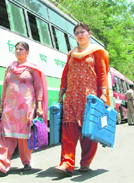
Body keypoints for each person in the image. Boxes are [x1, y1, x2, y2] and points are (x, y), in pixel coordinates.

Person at [54, 22, 110, 176]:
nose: (80, 35)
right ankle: (67, 163)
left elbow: (102, 73)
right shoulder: (71, 53)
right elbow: (66, 73)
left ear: (89, 33)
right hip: (71, 97)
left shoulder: (97, 51)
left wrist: (103, 93)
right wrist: (62, 91)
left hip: (89, 98)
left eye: (82, 32)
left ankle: (85, 162)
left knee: (88, 132)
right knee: (68, 130)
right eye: (77, 32)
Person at [0, 42, 48, 176]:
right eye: (16, 49)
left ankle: (26, 161)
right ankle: (0, 165)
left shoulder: (32, 68)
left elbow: (39, 87)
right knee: (6, 134)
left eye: (21, 49)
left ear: (27, 52)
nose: (18, 51)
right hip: (10, 107)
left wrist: (39, 106)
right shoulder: (9, 67)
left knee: (24, 136)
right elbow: (5, 88)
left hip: (26, 106)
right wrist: (1, 105)